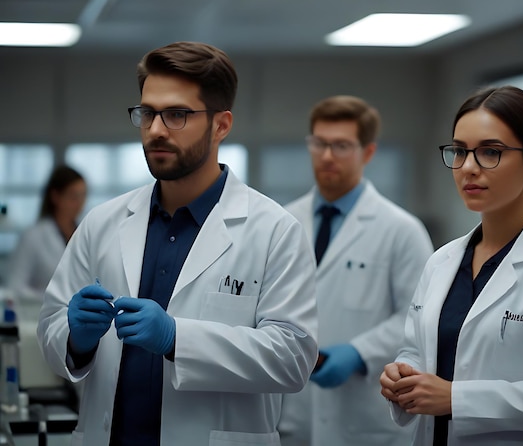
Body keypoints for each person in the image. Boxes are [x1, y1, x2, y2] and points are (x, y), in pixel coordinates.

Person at [37, 41, 318, 446]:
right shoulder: (102, 223)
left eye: (176, 115)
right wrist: (75, 339)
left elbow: (292, 359)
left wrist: (176, 338)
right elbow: (51, 332)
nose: (155, 130)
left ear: (221, 125)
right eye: (147, 113)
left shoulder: (274, 230)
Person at [380, 85, 523, 445]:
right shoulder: (441, 262)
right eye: (459, 151)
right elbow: (419, 349)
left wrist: (456, 399)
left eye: (490, 151)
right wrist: (403, 375)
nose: (468, 167)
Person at [279, 95, 434, 446]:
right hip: (293, 416)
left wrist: (359, 352)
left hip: (367, 419)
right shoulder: (283, 222)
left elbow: (417, 319)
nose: (328, 155)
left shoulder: (401, 230)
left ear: (368, 152)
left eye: (342, 145)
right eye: (319, 143)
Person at [8, 164, 87, 304]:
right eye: (73, 196)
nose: (79, 203)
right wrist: (50, 300)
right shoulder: (33, 236)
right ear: (55, 196)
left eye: (83, 196)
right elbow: (15, 286)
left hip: (81, 317)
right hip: (39, 317)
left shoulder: (85, 232)